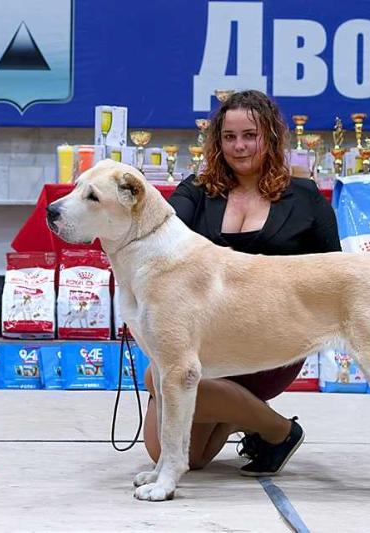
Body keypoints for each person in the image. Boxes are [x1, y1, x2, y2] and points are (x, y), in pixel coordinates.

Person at [142, 90, 342, 476]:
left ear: (269, 136)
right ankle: (258, 422)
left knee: (157, 375)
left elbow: (332, 270)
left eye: (249, 135)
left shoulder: (305, 197)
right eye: (229, 137)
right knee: (184, 456)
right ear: (217, 142)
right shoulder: (196, 192)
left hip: (269, 338)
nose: (239, 146)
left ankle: (273, 428)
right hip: (205, 340)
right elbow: (158, 232)